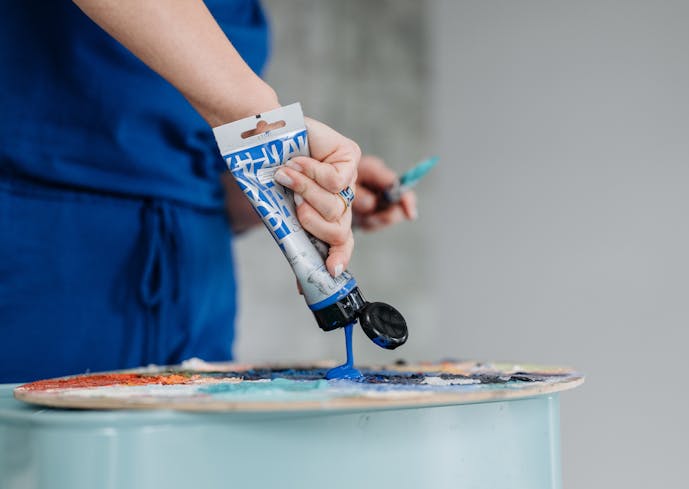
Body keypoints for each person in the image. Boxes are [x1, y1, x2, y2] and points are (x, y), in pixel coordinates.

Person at [0, 0, 417, 383]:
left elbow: (200, 176)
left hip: (198, 290)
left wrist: (296, 191)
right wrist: (257, 116)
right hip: (50, 262)